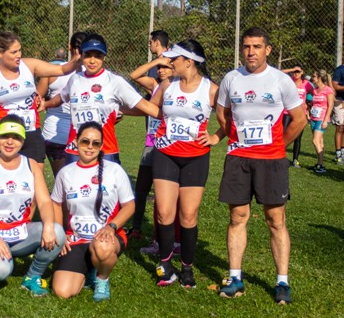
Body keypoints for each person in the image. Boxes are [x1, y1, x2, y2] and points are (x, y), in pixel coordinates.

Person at [216, 27, 307, 304]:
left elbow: (299, 119)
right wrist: (236, 139)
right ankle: (235, 278)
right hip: (238, 159)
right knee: (237, 217)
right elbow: (222, 114)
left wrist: (279, 146)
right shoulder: (231, 78)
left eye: (257, 46)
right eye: (246, 46)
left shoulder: (280, 80)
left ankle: (282, 282)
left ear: (267, 50)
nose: (251, 52)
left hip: (271, 161)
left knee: (276, 220)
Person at [149, 40, 223, 288]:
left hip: (195, 157)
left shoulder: (211, 90)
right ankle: (165, 265)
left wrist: (215, 137)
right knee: (164, 212)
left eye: (175, 59)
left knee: (188, 215)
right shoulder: (167, 85)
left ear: (189, 62)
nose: (170, 63)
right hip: (165, 154)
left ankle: (187, 267)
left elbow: (229, 119)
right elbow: (152, 108)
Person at [0, 114, 66, 296]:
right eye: (5, 136)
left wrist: (48, 226)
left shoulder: (31, 165)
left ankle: (32, 276)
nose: (10, 142)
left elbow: (44, 201)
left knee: (57, 232)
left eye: (16, 137)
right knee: (0, 271)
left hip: (19, 231)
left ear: (23, 140)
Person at [46, 34, 161, 165]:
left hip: (106, 152)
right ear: (81, 55)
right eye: (88, 55)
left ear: (104, 57)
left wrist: (169, 116)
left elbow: (144, 106)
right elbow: (60, 97)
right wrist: (45, 104)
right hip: (75, 151)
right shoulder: (74, 79)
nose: (92, 61)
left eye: (98, 56)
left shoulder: (114, 81)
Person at [51, 122, 135, 301]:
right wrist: (60, 234)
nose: (90, 147)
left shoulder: (114, 170)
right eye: (85, 141)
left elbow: (129, 205)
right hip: (77, 238)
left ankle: (102, 278)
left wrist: (112, 226)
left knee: (102, 247)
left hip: (107, 237)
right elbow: (56, 204)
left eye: (95, 143)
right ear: (76, 142)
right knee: (62, 292)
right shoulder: (65, 173)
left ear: (101, 146)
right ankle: (90, 269)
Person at [0, 31, 81, 168]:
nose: (19, 55)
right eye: (14, 52)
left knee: (35, 175)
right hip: (5, 133)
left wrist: (78, 59)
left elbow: (61, 70)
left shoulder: (28, 65)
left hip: (31, 131)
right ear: (0, 53)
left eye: (20, 50)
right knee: (5, 176)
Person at [129, 57, 181, 254]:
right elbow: (134, 75)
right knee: (142, 188)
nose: (161, 70)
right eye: (159, 68)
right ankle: (137, 228)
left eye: (165, 67)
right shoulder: (155, 86)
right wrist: (156, 61)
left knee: (169, 196)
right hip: (151, 144)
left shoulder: (179, 88)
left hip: (169, 145)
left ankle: (173, 240)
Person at [39, 32, 87, 177]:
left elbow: (37, 98)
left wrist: (44, 104)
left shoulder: (52, 70)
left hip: (58, 135)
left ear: (69, 47)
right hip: (68, 136)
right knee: (73, 182)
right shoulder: (92, 72)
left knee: (64, 181)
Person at [281, 65, 311, 167]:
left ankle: (295, 159)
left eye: (298, 71)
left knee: (297, 136)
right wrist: (292, 69)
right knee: (284, 134)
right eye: (295, 71)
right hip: (287, 112)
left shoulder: (306, 84)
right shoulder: (289, 81)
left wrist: (309, 104)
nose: (296, 73)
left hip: (300, 113)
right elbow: (279, 73)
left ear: (302, 72)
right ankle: (281, 156)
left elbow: (315, 93)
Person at [309, 69, 335, 173]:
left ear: (319, 78)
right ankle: (320, 163)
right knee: (320, 141)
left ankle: (321, 165)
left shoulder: (328, 90)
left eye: (314, 76)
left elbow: (330, 105)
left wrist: (325, 120)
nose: (312, 78)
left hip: (322, 118)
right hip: (314, 118)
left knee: (315, 141)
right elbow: (314, 103)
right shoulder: (315, 90)